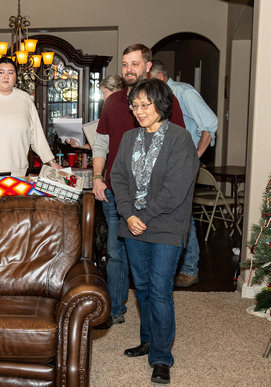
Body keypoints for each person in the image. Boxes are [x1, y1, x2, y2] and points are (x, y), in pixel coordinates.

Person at [91, 44, 186, 330]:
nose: (128, 69)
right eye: (124, 64)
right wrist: (98, 177)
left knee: (157, 280)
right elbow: (102, 144)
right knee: (116, 253)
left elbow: (178, 143)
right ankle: (115, 308)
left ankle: (157, 334)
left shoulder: (166, 100)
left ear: (147, 65)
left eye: (134, 64)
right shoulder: (113, 102)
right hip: (119, 194)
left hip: (160, 203)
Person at [110, 78, 199, 384]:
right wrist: (128, 213)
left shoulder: (180, 139)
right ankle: (147, 340)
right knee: (144, 288)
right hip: (133, 224)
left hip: (166, 225)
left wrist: (142, 215)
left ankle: (161, 358)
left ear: (161, 104)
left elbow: (176, 190)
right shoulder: (128, 138)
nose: (138, 110)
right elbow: (117, 177)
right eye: (134, 105)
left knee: (160, 291)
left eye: (145, 104)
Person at [149, 60, 219, 287]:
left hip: (182, 164)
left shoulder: (183, 92)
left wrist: (194, 156)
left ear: (159, 78)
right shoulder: (163, 99)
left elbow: (210, 124)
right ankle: (173, 267)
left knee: (181, 213)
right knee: (169, 212)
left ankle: (189, 268)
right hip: (166, 165)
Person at [67, 74, 126, 149]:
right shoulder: (109, 111)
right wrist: (79, 145)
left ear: (114, 90)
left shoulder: (124, 112)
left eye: (104, 92)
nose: (102, 97)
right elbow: (102, 145)